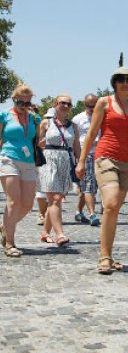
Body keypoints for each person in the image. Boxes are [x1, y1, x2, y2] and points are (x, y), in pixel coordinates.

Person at [76, 67, 128, 274]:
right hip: (105, 157)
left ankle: (108, 255)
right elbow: (92, 133)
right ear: (114, 82)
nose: (125, 82)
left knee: (112, 210)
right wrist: (80, 161)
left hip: (127, 161)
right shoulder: (104, 102)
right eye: (121, 79)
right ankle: (104, 256)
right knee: (111, 204)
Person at [0, 84, 41, 257]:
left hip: (29, 161)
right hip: (9, 159)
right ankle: (10, 243)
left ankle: (5, 227)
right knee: (13, 202)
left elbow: (37, 139)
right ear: (14, 100)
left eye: (27, 103)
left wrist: (41, 144)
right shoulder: (4, 116)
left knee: (27, 204)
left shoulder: (34, 118)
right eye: (20, 103)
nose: (24, 106)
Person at [39, 95, 81, 246]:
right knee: (56, 199)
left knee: (54, 201)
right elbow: (37, 143)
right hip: (49, 160)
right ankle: (60, 234)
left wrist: (80, 163)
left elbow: (76, 145)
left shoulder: (73, 125)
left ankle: (45, 233)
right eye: (62, 103)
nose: (65, 106)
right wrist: (41, 143)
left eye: (69, 104)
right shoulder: (46, 122)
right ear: (55, 104)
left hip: (66, 161)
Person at [72, 93, 100, 226]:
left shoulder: (101, 117)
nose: (91, 108)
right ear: (85, 105)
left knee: (90, 187)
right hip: (85, 154)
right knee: (88, 185)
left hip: (100, 154)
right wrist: (78, 159)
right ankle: (92, 214)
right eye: (89, 106)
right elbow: (74, 140)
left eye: (94, 106)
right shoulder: (77, 119)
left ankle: (78, 211)